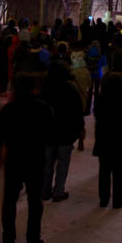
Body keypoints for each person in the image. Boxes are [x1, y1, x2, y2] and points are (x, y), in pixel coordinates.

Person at [0, 73, 54, 243]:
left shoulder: (8, 110)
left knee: (10, 199)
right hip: (35, 158)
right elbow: (50, 133)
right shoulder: (43, 108)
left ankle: (8, 238)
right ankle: (32, 240)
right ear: (34, 88)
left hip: (14, 159)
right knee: (35, 200)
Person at [40, 62, 84, 202]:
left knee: (47, 164)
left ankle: (45, 190)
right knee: (63, 164)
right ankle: (58, 191)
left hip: (48, 132)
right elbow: (78, 111)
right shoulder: (70, 89)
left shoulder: (45, 89)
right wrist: (79, 129)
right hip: (66, 133)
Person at [93, 72, 122, 208]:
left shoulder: (99, 100)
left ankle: (103, 198)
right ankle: (118, 199)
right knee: (119, 172)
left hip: (103, 138)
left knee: (104, 170)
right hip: (120, 140)